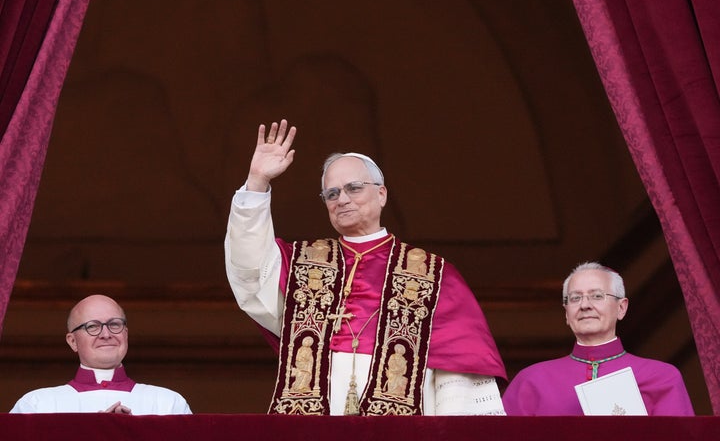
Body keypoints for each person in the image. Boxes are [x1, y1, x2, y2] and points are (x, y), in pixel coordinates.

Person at [224, 119, 507, 416]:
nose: (342, 199)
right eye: (331, 194)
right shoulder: (302, 265)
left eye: (354, 188)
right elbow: (250, 269)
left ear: (381, 194)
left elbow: (459, 374)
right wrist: (257, 182)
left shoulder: (434, 275)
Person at [502, 261, 694, 415]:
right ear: (566, 313)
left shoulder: (661, 377)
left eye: (596, 296)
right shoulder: (531, 381)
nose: (585, 305)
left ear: (621, 308)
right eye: (575, 298)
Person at [10, 294, 191, 415]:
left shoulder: (168, 404)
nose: (106, 334)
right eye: (93, 326)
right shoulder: (37, 406)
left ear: (125, 333)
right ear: (72, 341)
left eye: (114, 324)